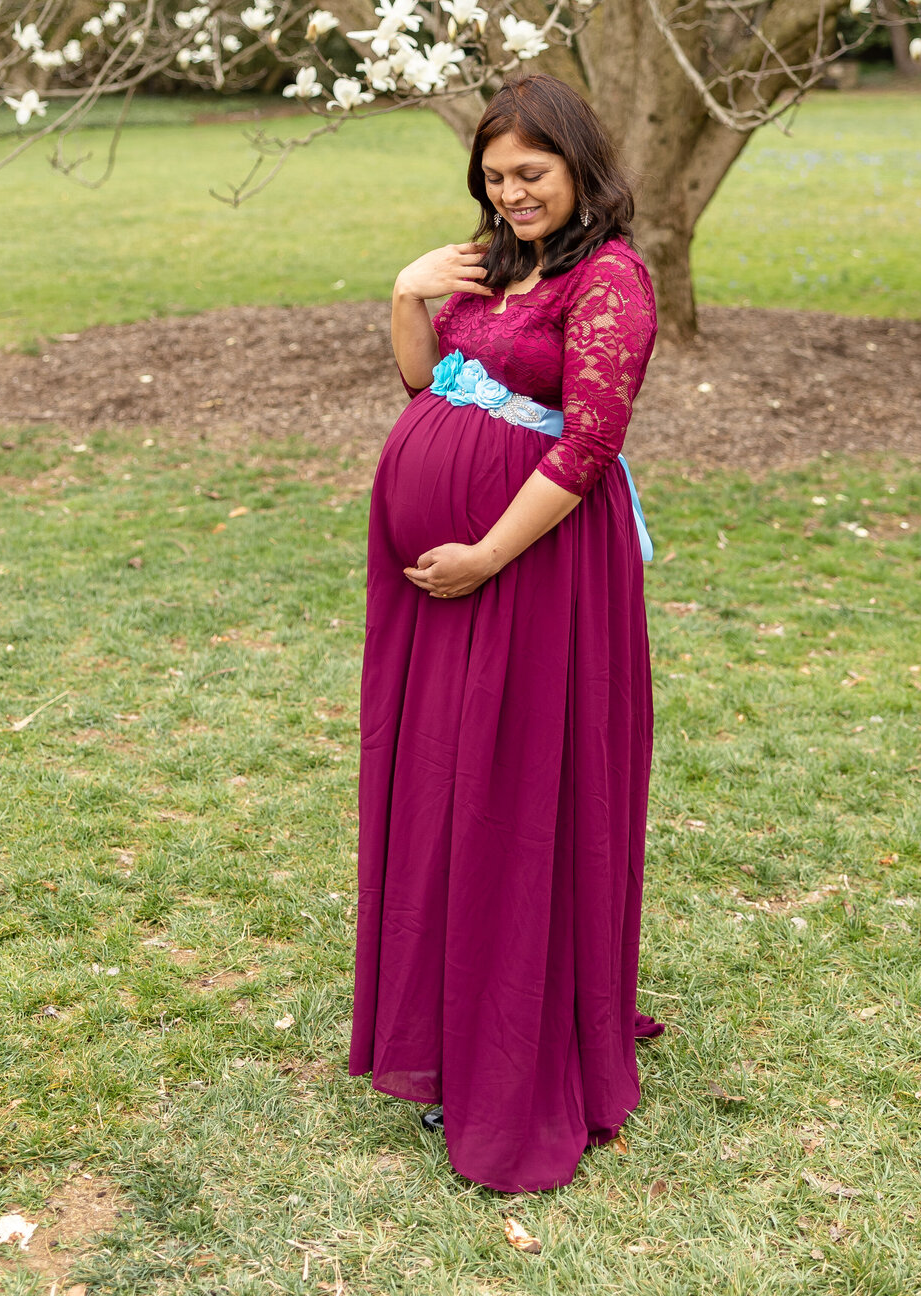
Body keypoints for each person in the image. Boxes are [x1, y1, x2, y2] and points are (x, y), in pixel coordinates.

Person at [349, 72, 663, 1194]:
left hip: (535, 578)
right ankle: (441, 1029)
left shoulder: (612, 280)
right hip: (442, 590)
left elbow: (585, 450)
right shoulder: (496, 261)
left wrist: (486, 552)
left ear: (579, 164)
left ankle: (515, 1061)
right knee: (443, 791)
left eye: (530, 173)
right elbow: (431, 384)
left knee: (511, 798)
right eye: (492, 176)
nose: (510, 193)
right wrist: (404, 292)